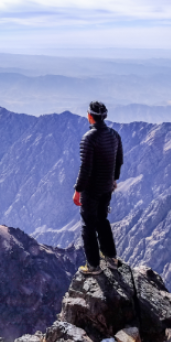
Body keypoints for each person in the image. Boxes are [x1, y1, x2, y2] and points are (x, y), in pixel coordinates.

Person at [72, 100, 123, 275]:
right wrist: (113, 180)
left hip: (91, 190)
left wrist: (78, 190)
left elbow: (85, 168)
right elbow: (118, 161)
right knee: (103, 221)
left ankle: (93, 265)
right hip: (107, 188)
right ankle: (111, 258)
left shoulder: (89, 138)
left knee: (88, 225)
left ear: (90, 116)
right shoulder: (115, 135)